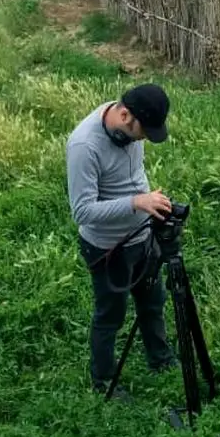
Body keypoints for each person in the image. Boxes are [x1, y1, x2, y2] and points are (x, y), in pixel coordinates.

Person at [66, 83, 178, 400]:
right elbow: (82, 211)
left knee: (152, 303)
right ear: (125, 115)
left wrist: (151, 205)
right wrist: (136, 203)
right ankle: (103, 380)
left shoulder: (127, 123)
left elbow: (132, 173)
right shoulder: (84, 146)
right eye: (142, 133)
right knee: (110, 316)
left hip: (143, 235)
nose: (142, 140)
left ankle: (160, 359)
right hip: (107, 248)